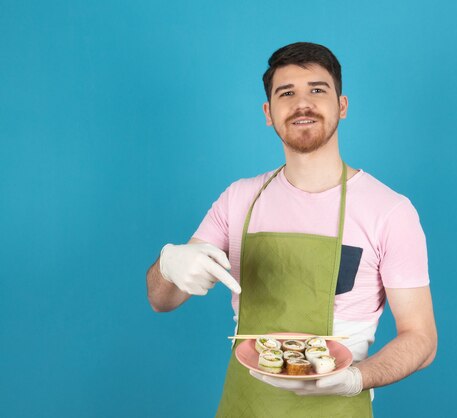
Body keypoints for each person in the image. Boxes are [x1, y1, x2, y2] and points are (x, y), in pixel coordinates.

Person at [146, 42, 437, 417]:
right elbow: (161, 300)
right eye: (287, 93)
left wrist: (357, 377)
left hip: (337, 409)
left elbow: (422, 338)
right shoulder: (239, 200)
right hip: (243, 407)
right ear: (269, 113)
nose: (303, 103)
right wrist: (169, 264)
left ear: (342, 106)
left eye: (318, 89)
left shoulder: (390, 211)